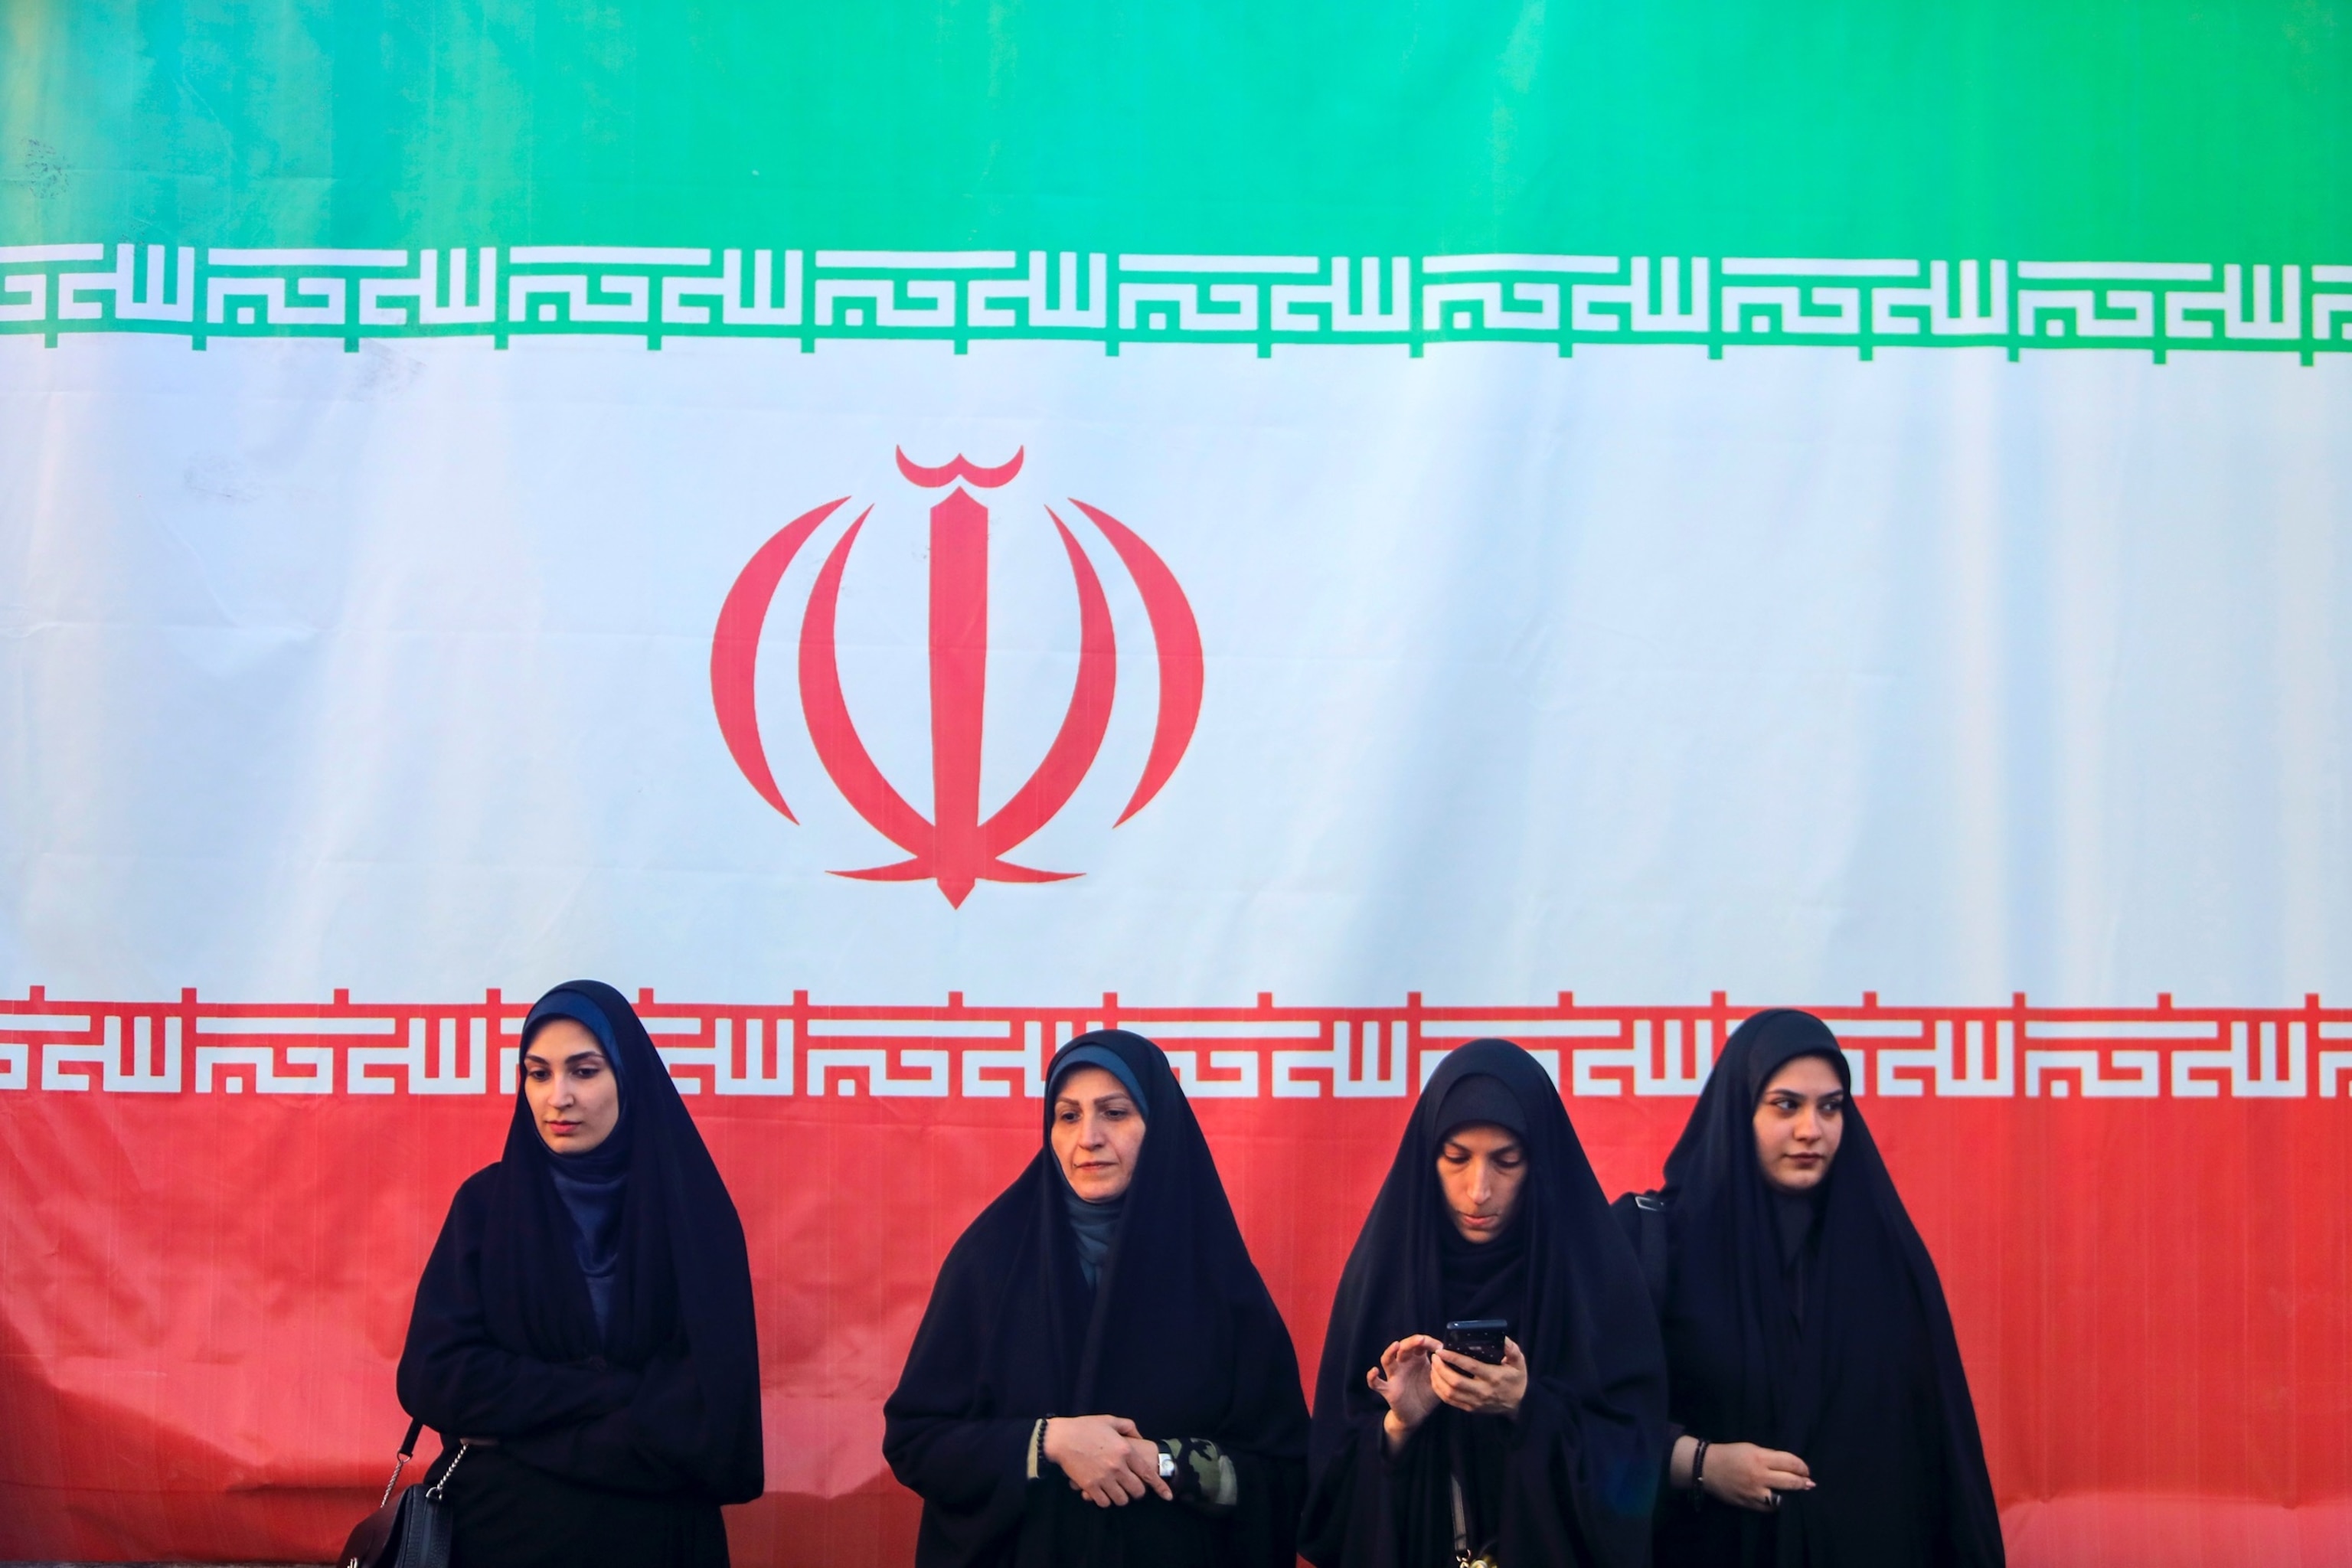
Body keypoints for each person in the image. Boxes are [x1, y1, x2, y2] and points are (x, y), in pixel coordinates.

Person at [884, 1029, 1309, 1567]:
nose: (1088, 1138)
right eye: (1067, 1116)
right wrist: (1047, 1444)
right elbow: (916, 1442)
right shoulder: (990, 1263)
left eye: (1114, 1113)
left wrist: (1162, 1463)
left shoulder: (1218, 1280)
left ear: (1159, 1127)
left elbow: (1284, 1475)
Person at [1616, 1008, 2003, 1567]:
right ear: (1739, 1108)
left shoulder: (1888, 1260)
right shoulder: (1654, 1245)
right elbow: (1581, 1421)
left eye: (1831, 1107)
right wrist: (1699, 1464)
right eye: (1786, 1105)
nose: (1810, 1130)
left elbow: (1941, 1457)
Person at [396, 981, 764, 1567]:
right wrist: (618, 1391)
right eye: (538, 1074)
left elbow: (715, 1429)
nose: (557, 1097)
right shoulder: (488, 1208)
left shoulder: (694, 1217)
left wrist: (518, 1432)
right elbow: (434, 1380)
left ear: (629, 1078)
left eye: (584, 1072)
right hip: (497, 1537)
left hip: (655, 1543)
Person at [1302, 1038, 1668, 1568]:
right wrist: (1397, 1428)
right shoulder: (1382, 1278)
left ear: (1538, 1163)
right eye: (1456, 1159)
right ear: (1428, 1160)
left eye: (1507, 1161)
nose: (1478, 1190)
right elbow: (1325, 1500)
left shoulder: (1594, 1284)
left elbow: (1638, 1474)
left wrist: (1526, 1406)